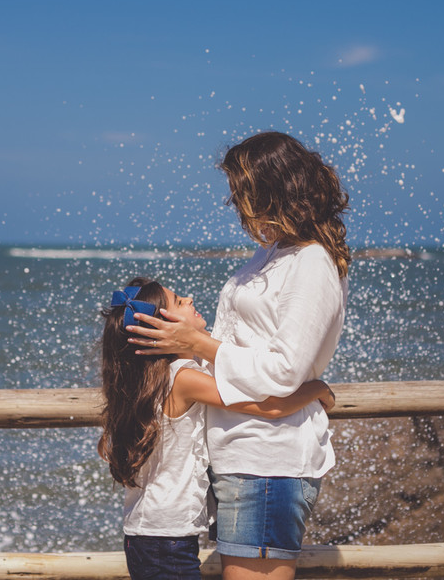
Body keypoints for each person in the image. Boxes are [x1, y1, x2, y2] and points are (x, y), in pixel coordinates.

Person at [127, 131, 349, 580]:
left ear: (270, 187)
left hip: (267, 459)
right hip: (243, 458)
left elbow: (284, 370)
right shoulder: (274, 254)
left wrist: (198, 346)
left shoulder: (311, 263)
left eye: (240, 189)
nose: (234, 201)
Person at [99, 277, 336, 580]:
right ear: (162, 327)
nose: (189, 297)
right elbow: (270, 406)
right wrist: (317, 388)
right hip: (167, 539)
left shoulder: (146, 381)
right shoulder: (184, 378)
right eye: (178, 302)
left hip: (146, 534)